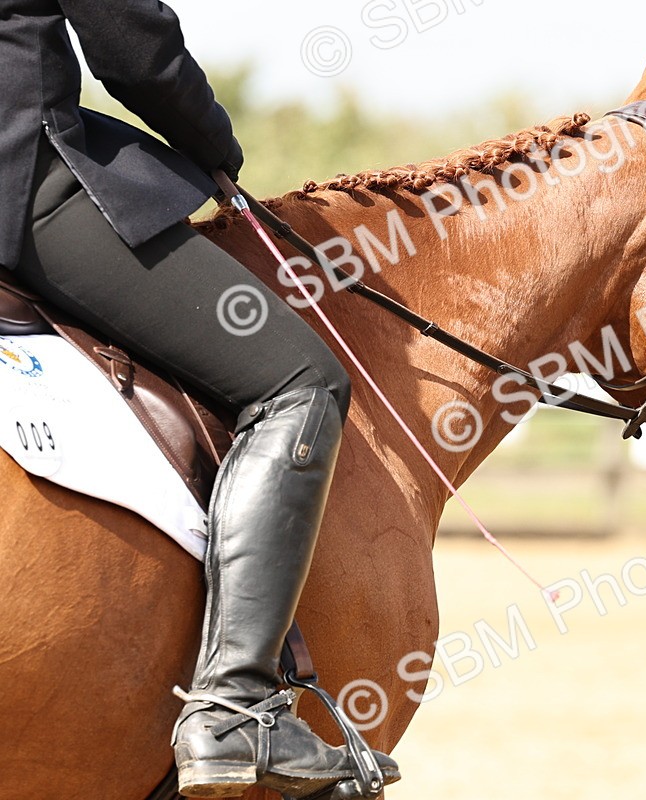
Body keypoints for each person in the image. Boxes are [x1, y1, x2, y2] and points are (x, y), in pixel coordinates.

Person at [0, 1, 399, 796]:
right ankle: (235, 708)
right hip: (20, 182)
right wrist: (215, 146)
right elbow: (130, 47)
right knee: (298, 381)